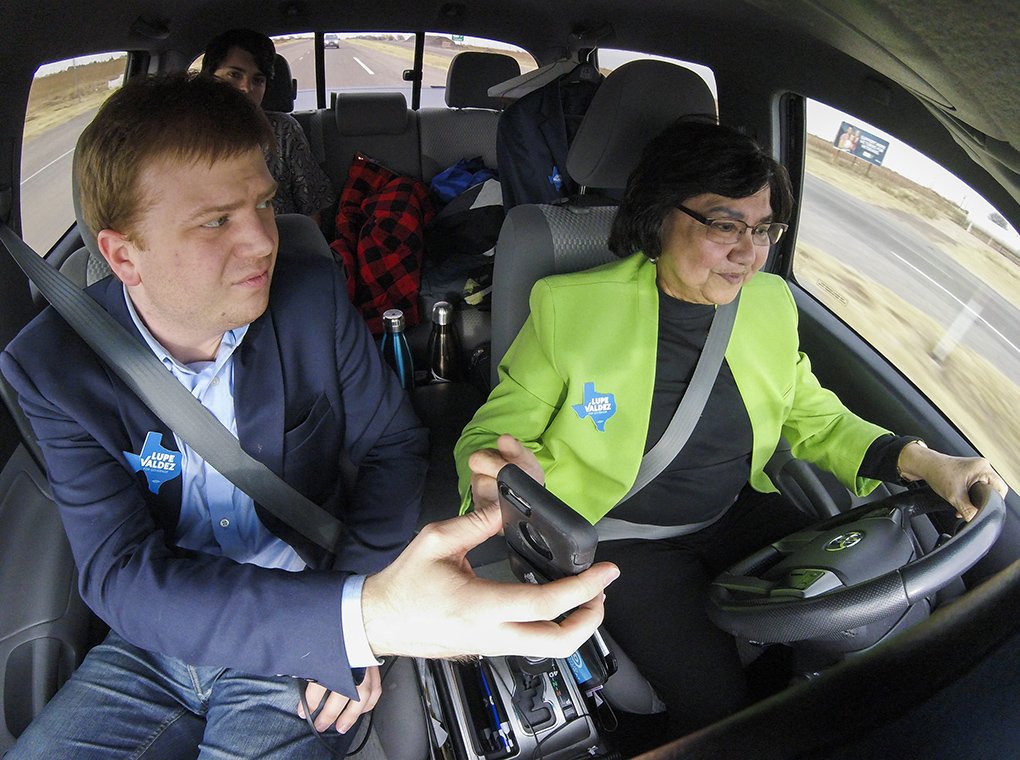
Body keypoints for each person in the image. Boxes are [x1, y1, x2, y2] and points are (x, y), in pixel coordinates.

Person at [1, 73, 618, 759]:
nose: (263, 242)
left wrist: (347, 604)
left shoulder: (309, 298)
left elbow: (393, 443)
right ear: (122, 255)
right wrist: (359, 619)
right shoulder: (55, 365)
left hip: (304, 621)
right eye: (216, 221)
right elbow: (118, 572)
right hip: (156, 641)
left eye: (262, 205)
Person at [455, 118, 1008, 742]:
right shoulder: (569, 308)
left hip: (735, 511)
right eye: (725, 225)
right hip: (625, 541)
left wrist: (924, 461)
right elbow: (496, 430)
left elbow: (812, 415)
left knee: (873, 621)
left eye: (763, 228)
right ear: (662, 215)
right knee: (720, 714)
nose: (748, 252)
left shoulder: (769, 303)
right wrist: (494, 481)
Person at [201, 28, 335, 224]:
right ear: (209, 76)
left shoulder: (282, 130)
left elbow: (311, 204)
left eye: (258, 80)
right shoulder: (183, 136)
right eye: (234, 75)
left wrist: (310, 250)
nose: (246, 88)